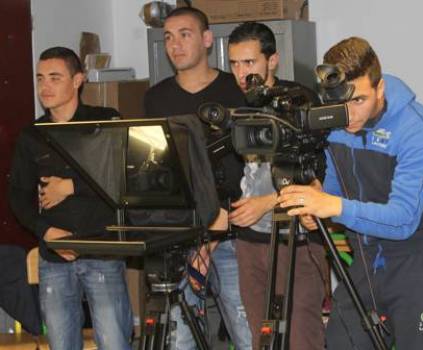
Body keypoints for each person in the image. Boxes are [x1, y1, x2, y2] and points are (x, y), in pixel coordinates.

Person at [277, 37, 423, 349]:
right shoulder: (337, 124)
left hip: (420, 263)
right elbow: (335, 188)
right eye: (342, 103)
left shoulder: (416, 128)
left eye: (359, 100)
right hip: (365, 259)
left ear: (380, 89)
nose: (349, 114)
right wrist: (317, 200)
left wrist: (332, 206)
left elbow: (402, 221)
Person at [8, 46, 133, 349]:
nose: (45, 87)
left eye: (54, 78)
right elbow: (19, 199)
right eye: (40, 78)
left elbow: (126, 177)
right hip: (55, 258)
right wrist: (49, 234)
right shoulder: (32, 134)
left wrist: (71, 186)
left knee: (114, 342)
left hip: (102, 251)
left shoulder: (105, 121)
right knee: (61, 344)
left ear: (78, 80)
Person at [142, 7, 252, 350]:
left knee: (244, 329)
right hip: (178, 239)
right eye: (168, 38)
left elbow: (249, 168)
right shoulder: (155, 98)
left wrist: (218, 226)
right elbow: (154, 169)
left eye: (184, 34)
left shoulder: (236, 92)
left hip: (232, 234)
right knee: (179, 337)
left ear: (207, 39)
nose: (175, 45)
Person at [226, 22, 327, 350]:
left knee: (301, 338)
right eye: (234, 64)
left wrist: (268, 202)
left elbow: (318, 174)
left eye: (249, 62)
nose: (242, 73)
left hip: (295, 240)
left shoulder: (298, 100)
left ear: (273, 61)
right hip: (249, 241)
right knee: (262, 340)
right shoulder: (235, 105)